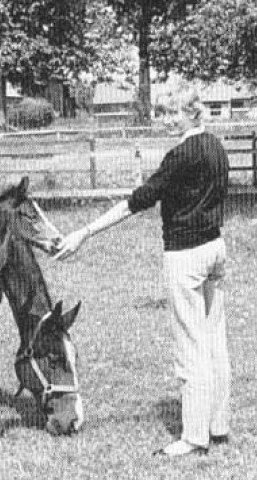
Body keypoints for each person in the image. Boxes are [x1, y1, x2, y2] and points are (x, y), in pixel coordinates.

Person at [53, 87, 231, 457]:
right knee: (215, 341)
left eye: (173, 113)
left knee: (192, 347)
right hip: (216, 248)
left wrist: (84, 233)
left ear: (193, 113)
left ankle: (194, 436)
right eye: (163, 112)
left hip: (186, 255)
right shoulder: (216, 146)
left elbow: (137, 202)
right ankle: (218, 425)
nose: (166, 119)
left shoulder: (180, 155)